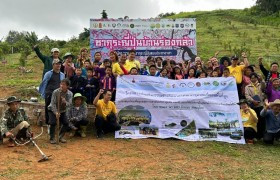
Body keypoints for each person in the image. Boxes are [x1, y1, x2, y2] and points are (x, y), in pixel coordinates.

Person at [39, 59, 65, 125]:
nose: (58, 65)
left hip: (58, 94)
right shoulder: (48, 74)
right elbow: (44, 83)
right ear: (53, 65)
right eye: (57, 64)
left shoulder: (62, 74)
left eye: (59, 64)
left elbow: (63, 85)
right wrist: (43, 93)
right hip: (49, 94)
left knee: (58, 108)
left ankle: (56, 123)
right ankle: (48, 123)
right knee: (48, 108)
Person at [48, 79, 73, 144]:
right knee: (53, 123)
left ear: (67, 86)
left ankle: (60, 137)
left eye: (64, 84)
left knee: (66, 123)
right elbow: (53, 103)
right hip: (52, 109)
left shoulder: (70, 94)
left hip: (62, 110)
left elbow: (70, 104)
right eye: (61, 84)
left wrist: (65, 102)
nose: (61, 86)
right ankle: (52, 138)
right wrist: (56, 112)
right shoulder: (56, 92)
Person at [245, 72, 266, 138]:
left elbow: (264, 88)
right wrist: (253, 101)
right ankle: (254, 135)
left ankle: (260, 135)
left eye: (254, 78)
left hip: (260, 105)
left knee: (261, 120)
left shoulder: (260, 85)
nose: (253, 79)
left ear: (257, 78)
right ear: (250, 79)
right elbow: (247, 96)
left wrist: (262, 80)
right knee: (253, 120)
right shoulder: (247, 87)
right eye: (252, 78)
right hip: (253, 105)